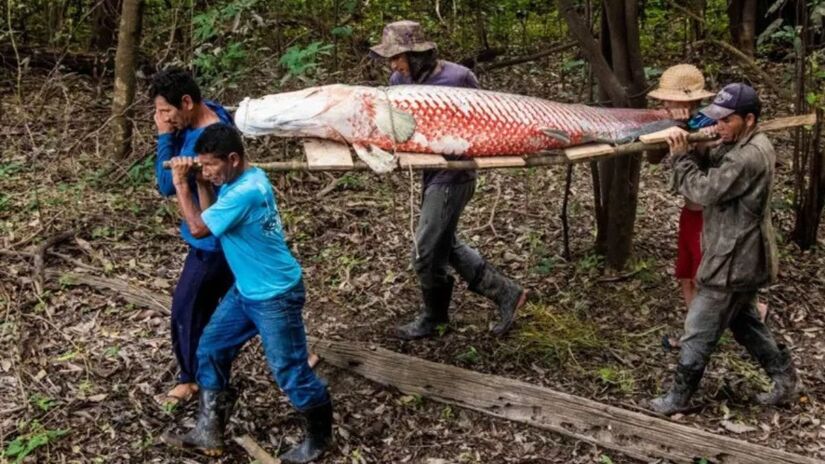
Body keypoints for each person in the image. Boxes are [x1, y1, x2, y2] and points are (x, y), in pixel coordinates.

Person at [161, 124, 333, 463]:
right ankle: (209, 430)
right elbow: (211, 219)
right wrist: (201, 181)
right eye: (203, 165)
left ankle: (319, 437)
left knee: (289, 370)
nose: (208, 171)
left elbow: (198, 227)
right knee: (210, 348)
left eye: (211, 165)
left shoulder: (247, 191)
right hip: (246, 291)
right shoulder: (238, 180)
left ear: (234, 159)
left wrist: (180, 182)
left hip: (275, 296)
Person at [369, 20, 528, 340]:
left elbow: (489, 117)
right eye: (391, 59)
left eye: (398, 57)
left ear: (417, 55)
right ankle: (506, 293)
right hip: (430, 171)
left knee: (425, 251)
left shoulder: (458, 77)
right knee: (446, 243)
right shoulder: (398, 80)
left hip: (455, 174)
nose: (394, 65)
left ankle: (433, 317)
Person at [650, 84, 798, 415]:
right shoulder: (741, 143)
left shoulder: (749, 156)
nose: (719, 126)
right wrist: (697, 147)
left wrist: (681, 157)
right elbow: (715, 161)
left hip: (734, 260)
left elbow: (705, 190)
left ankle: (678, 397)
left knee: (698, 327)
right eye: (717, 119)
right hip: (739, 254)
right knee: (746, 324)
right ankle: (786, 381)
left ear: (749, 119)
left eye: (727, 121)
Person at [647, 65, 768, 351]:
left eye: (670, 99)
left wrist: (695, 139)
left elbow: (711, 180)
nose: (666, 104)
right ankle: (695, 335)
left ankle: (702, 337)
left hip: (710, 216)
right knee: (686, 274)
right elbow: (653, 156)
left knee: (709, 280)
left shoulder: (715, 124)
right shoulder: (676, 122)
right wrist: (674, 127)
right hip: (690, 212)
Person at [151, 68, 234, 407]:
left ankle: (191, 380)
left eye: (166, 111)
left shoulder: (201, 141)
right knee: (240, 303)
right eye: (159, 113)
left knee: (186, 309)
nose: (163, 118)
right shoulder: (214, 112)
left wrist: (163, 137)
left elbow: (165, 184)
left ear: (186, 102)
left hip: (211, 242)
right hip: (226, 235)